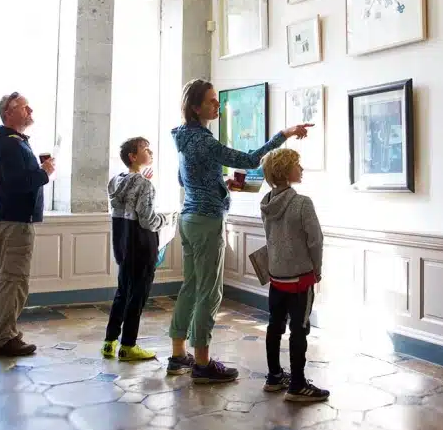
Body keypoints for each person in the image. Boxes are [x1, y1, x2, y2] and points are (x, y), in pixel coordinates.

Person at [167, 79, 313, 384]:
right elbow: (249, 160)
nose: (216, 105)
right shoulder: (204, 141)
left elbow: (185, 181)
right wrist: (283, 134)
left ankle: (179, 353)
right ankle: (203, 363)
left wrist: (223, 185)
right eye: (210, 101)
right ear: (195, 107)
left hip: (189, 217)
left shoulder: (183, 139)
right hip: (207, 221)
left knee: (191, 287)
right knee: (209, 290)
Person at [0, 92, 55, 356]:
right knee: (15, 281)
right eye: (25, 108)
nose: (30, 110)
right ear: (9, 113)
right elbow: (18, 184)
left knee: (5, 280)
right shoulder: (11, 144)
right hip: (15, 221)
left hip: (6, 218)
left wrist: (37, 172)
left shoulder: (8, 142)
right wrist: (44, 173)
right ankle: (4, 337)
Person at [259, 148, 329, 402]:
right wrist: (318, 269)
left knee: (274, 326)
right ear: (286, 171)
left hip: (276, 277)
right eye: (297, 165)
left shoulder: (266, 203)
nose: (301, 169)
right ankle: (298, 384)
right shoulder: (302, 203)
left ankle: (274, 376)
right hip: (300, 279)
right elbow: (316, 241)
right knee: (299, 330)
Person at [102, 137, 168, 362]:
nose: (150, 152)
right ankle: (129, 345)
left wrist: (142, 180)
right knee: (138, 296)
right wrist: (166, 221)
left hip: (122, 244)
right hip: (141, 245)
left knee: (122, 292)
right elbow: (149, 220)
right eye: (145, 149)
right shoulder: (144, 184)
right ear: (133, 156)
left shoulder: (116, 181)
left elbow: (129, 199)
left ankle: (109, 342)